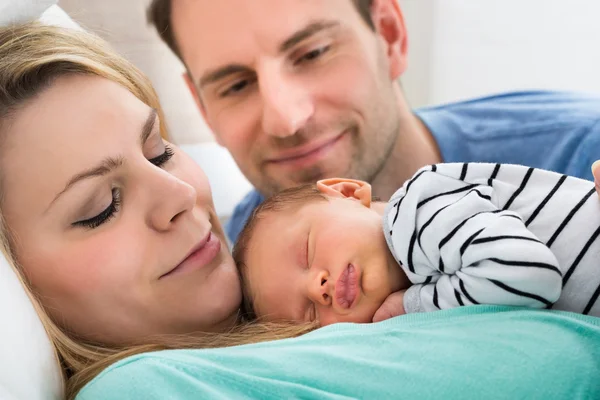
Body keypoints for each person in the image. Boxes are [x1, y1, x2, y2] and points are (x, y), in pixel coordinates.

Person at [2, 23, 600, 400]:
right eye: (100, 208)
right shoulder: (152, 387)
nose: (182, 195)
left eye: (159, 151)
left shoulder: (290, 247)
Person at [147, 0, 600, 244]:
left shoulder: (583, 159)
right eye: (236, 86)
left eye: (313, 54)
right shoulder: (229, 265)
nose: (286, 120)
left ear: (390, 35)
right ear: (204, 109)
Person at [233, 163, 600, 326]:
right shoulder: (429, 274)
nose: (319, 287)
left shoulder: (413, 213)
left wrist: (410, 306)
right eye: (309, 315)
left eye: (306, 252)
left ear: (347, 192)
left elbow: (530, 274)